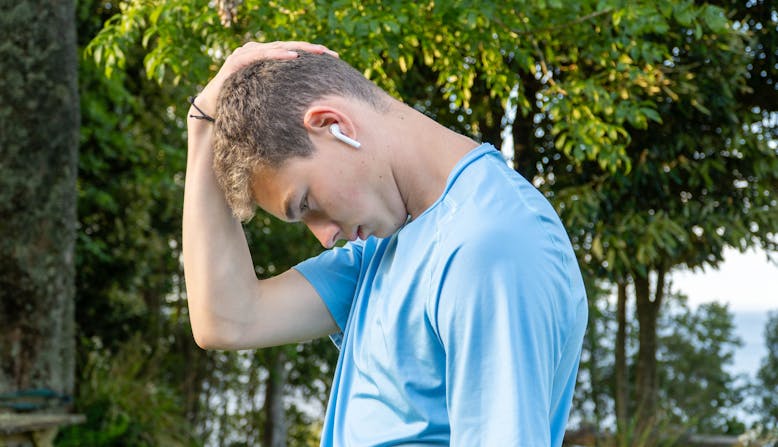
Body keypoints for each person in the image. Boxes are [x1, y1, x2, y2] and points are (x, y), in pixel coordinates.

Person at [184, 41, 588, 446]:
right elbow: (227, 319)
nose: (325, 238)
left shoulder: (488, 245)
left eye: (306, 204)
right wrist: (202, 119)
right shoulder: (388, 248)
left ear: (332, 124)